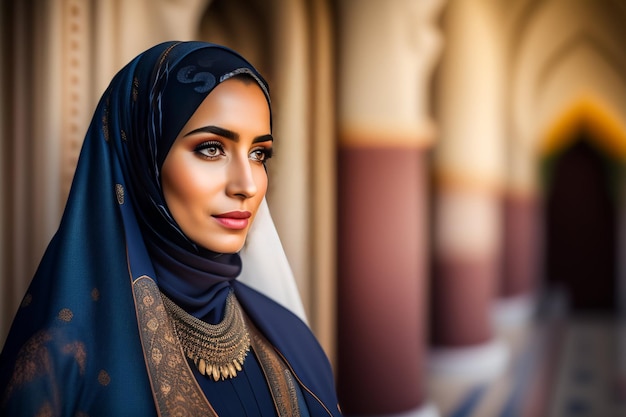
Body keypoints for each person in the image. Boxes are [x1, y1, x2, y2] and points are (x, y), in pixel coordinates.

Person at [0, 41, 341, 416]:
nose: (246, 184)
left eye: (259, 153)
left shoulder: (290, 339)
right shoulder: (59, 363)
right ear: (144, 159)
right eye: (211, 148)